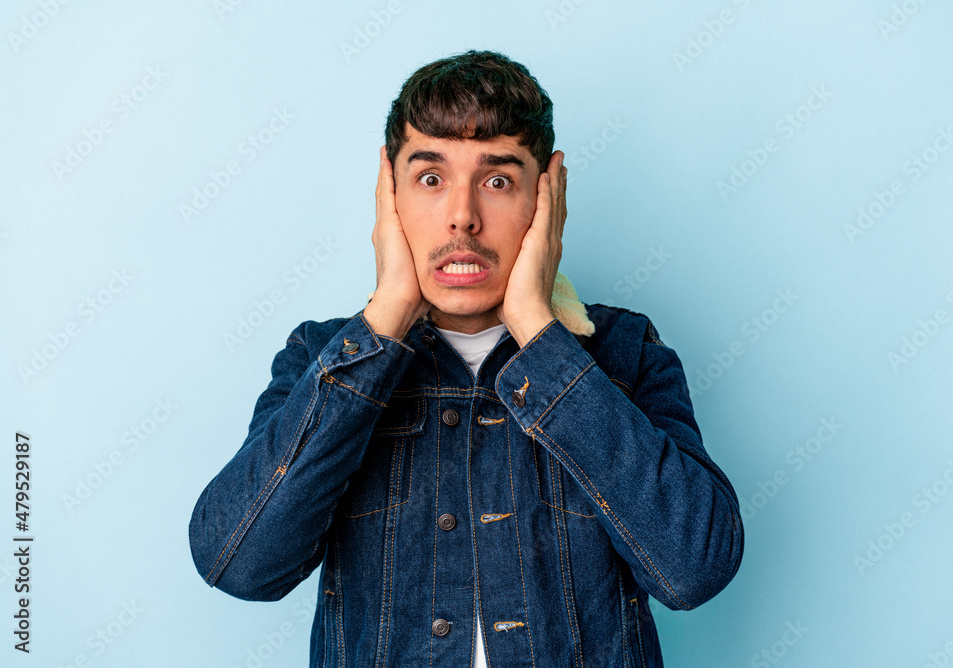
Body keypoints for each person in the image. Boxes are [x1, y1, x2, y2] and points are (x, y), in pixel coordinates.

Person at [188, 49, 744, 668]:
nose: (462, 216)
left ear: (548, 193)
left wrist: (537, 328)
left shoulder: (623, 351)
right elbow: (237, 563)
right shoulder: (321, 359)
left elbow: (695, 568)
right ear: (388, 193)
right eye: (430, 178)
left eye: (498, 180)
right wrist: (388, 314)